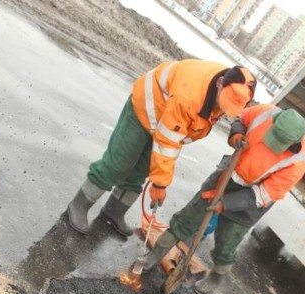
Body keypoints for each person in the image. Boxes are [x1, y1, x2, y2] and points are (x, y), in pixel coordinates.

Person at [66, 59, 256, 236]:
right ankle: (79, 205)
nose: (223, 108)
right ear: (220, 82)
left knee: (141, 170)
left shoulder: (234, 88)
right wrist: (160, 184)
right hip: (146, 108)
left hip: (168, 117)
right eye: (224, 102)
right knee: (119, 162)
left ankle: (113, 211)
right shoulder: (189, 96)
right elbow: (167, 142)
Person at [143, 104, 305, 294]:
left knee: (226, 243)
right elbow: (241, 118)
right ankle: (154, 255)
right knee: (187, 217)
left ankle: (216, 277)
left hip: (250, 201)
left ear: (294, 142)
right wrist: (236, 134)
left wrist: (226, 203)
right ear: (275, 122)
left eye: (280, 143)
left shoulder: (297, 162)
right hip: (227, 175)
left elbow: (263, 194)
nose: (273, 144)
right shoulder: (267, 113)